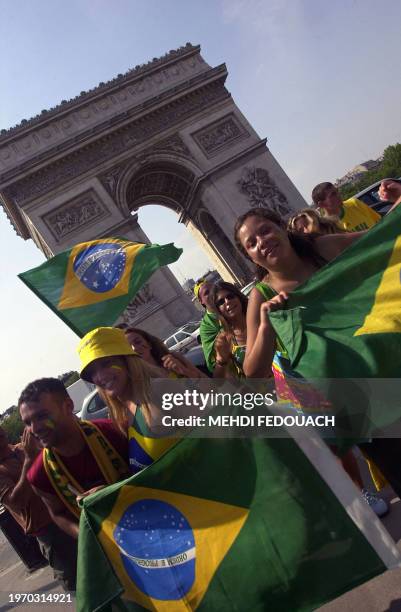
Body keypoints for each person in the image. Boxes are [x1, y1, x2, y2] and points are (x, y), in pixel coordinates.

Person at [234, 207, 390, 517]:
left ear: (281, 226)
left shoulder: (322, 249)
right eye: (251, 243)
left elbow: (381, 240)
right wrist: (266, 325)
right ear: (251, 257)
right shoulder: (260, 297)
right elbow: (252, 371)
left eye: (265, 230)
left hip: (385, 361)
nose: (261, 241)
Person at [19, 378, 129, 541]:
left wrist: (113, 493)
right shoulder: (39, 475)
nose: (34, 429)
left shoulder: (115, 432)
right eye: (28, 422)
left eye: (42, 416)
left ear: (68, 406)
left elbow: (151, 473)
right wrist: (88, 537)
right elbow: (57, 513)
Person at [78, 327, 178, 476]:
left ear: (127, 360)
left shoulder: (162, 390)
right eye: (92, 372)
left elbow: (219, 432)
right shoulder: (123, 415)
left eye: (106, 363)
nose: (100, 376)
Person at [0, 426, 78, 590]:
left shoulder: (22, 448)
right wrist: (29, 460)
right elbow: (16, 502)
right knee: (76, 582)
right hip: (48, 530)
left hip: (70, 513)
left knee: (101, 568)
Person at [124, 327, 207, 378]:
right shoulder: (141, 381)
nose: (134, 348)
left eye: (138, 342)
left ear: (149, 344)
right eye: (128, 347)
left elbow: (212, 388)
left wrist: (185, 371)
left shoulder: (174, 357)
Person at [209, 281, 249, 378]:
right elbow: (219, 381)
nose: (227, 301)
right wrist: (221, 360)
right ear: (218, 310)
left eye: (230, 296)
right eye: (221, 302)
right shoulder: (225, 339)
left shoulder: (260, 317)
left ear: (238, 297)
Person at [311, 182, 381, 232]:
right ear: (322, 204)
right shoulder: (327, 228)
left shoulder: (354, 203)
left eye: (337, 191)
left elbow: (380, 222)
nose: (338, 195)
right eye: (333, 194)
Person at [194, 279, 221, 373]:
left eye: (214, 289)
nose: (212, 293)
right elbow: (212, 364)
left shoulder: (230, 306)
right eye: (206, 293)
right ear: (201, 301)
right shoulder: (206, 328)